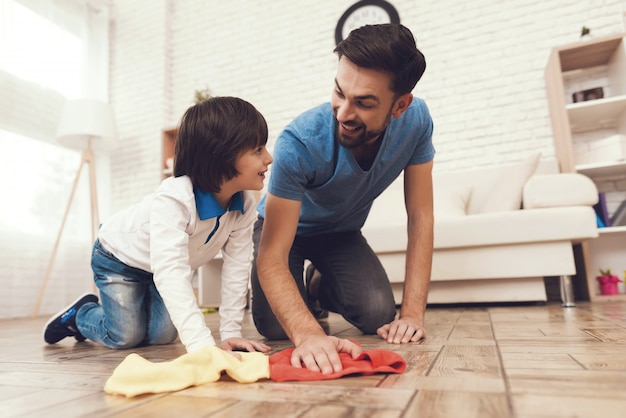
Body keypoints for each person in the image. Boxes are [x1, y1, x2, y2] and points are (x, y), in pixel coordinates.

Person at [251, 23, 435, 374]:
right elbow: (272, 255)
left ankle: (318, 289)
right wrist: (306, 333)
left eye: (364, 103)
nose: (344, 113)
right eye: (339, 93)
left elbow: (421, 217)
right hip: (283, 235)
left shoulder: (417, 122)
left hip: (341, 233)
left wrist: (412, 314)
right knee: (276, 330)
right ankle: (304, 299)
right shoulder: (299, 142)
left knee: (378, 313)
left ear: (400, 105)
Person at [44, 96, 273, 356]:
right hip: (119, 259)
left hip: (159, 267)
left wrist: (231, 332)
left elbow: (237, 267)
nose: (269, 158)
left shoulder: (243, 205)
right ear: (220, 155)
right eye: (258, 150)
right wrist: (201, 347)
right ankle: (81, 314)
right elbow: (171, 271)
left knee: (162, 336)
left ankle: (131, 309)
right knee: (125, 335)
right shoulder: (175, 199)